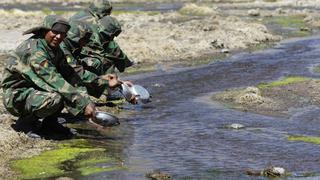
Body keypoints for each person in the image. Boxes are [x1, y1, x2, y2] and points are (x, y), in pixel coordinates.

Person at [1, 15, 121, 139]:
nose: (59, 37)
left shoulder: (55, 49)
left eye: (63, 34)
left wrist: (88, 101)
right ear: (45, 30)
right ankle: (25, 123)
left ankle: (50, 124)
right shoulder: (36, 51)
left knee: (67, 91)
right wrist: (82, 104)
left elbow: (71, 76)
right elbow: (56, 81)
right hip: (17, 95)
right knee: (57, 97)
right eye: (55, 32)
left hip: (35, 89)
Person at [70, 0, 133, 74]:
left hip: (73, 50)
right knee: (106, 62)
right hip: (78, 54)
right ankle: (108, 83)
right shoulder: (95, 24)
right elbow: (107, 47)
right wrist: (125, 64)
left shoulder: (79, 14)